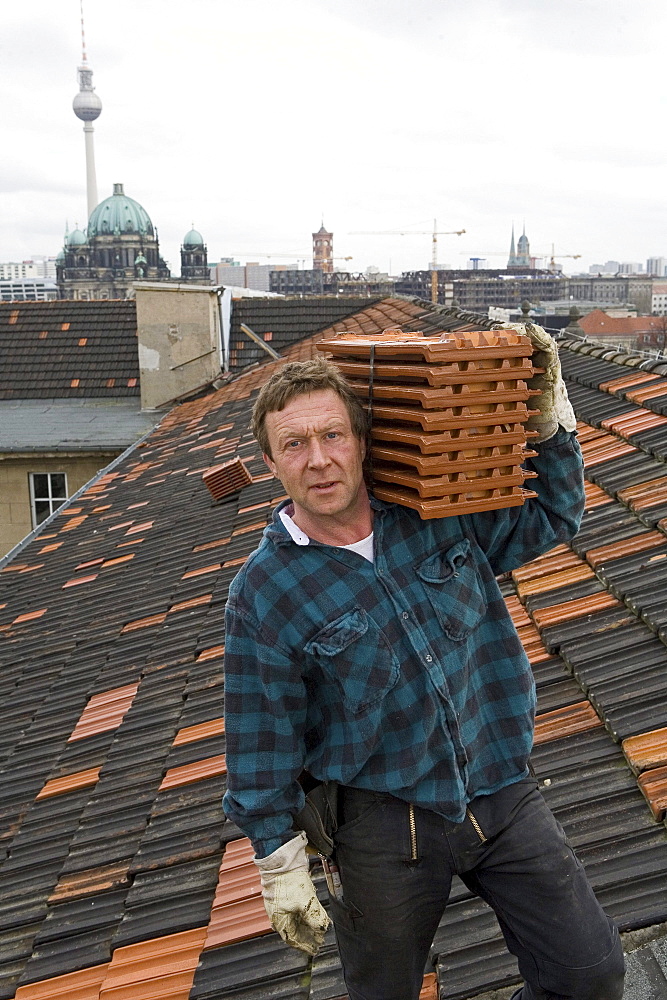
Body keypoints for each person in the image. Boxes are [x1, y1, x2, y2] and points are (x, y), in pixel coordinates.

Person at [222, 325, 625, 1000]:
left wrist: (549, 420)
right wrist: (276, 858)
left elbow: (554, 513)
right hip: (384, 825)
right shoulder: (264, 593)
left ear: (360, 441)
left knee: (590, 976)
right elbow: (261, 739)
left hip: (499, 789)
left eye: (332, 436)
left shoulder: (436, 513)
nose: (318, 459)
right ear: (270, 462)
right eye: (294, 444)